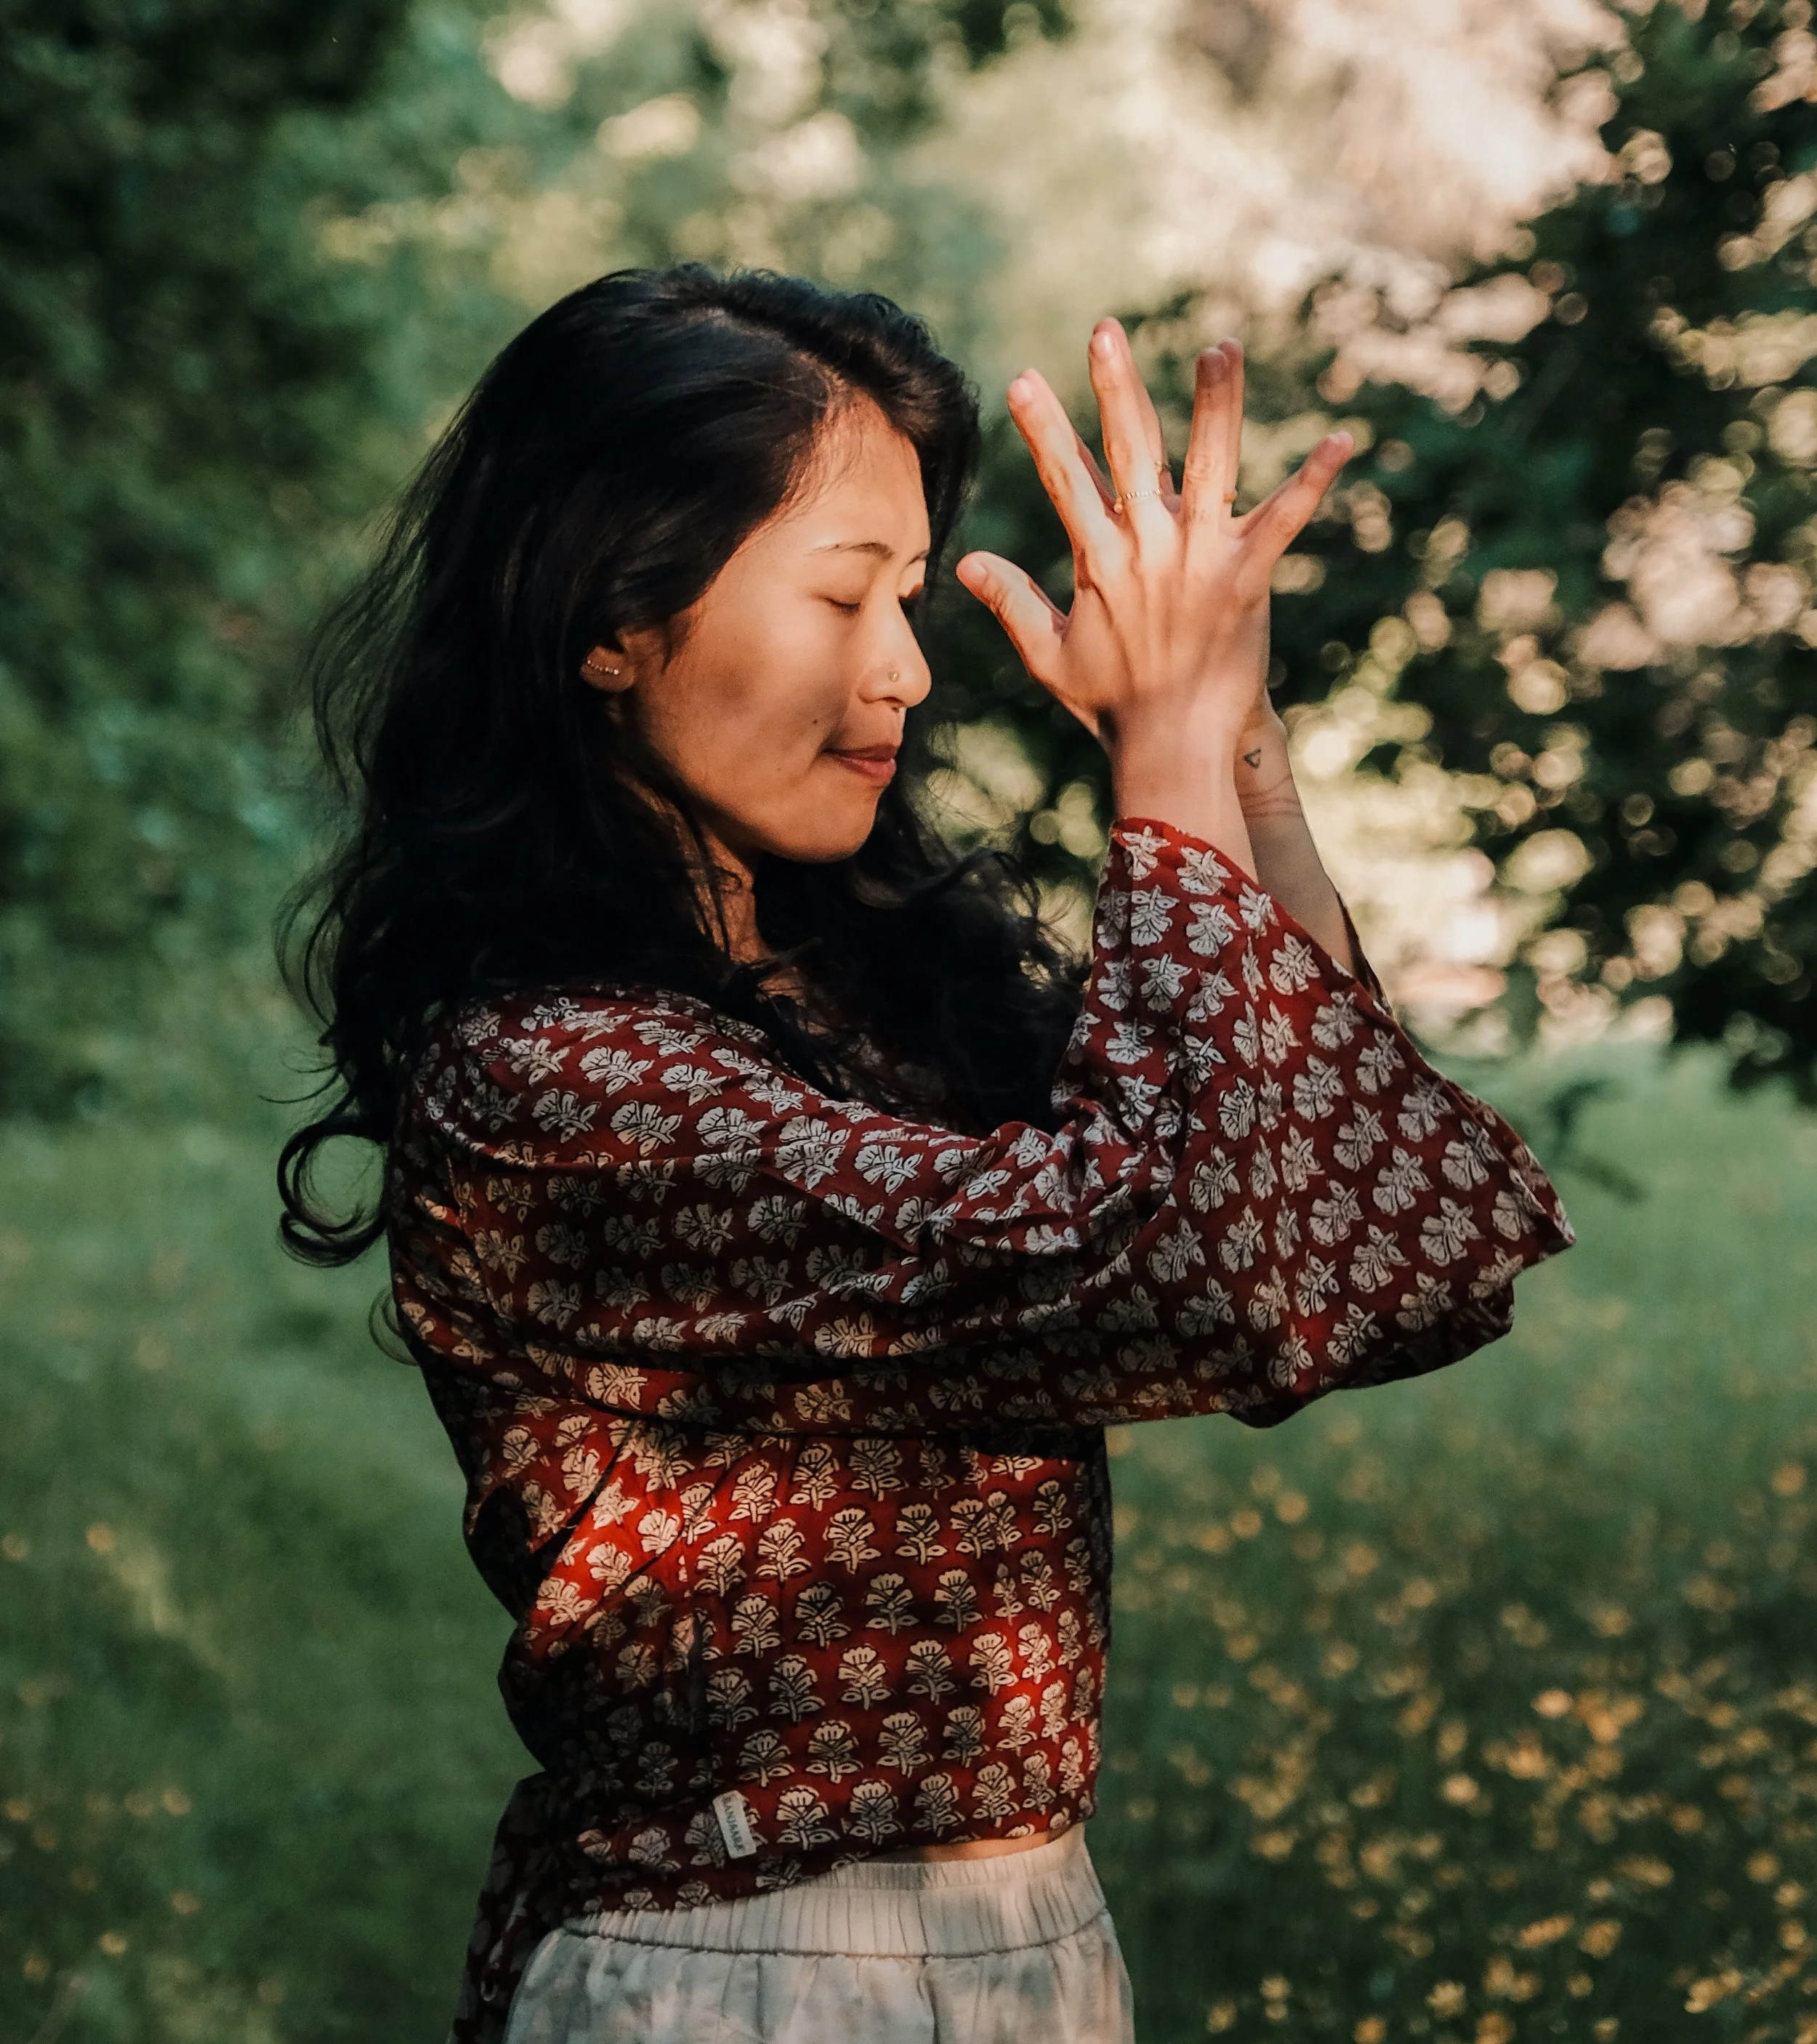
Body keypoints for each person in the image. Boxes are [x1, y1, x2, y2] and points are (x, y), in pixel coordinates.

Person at [280, 266, 1572, 2044]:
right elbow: (1181, 1264)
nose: (902, 670)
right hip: (747, 1974)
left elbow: (1378, 1242)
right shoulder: (553, 1081)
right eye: (841, 594)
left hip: (1028, 1940)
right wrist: (1161, 761)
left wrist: (1234, 753)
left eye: (908, 593)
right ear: (608, 615)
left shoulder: (863, 999)